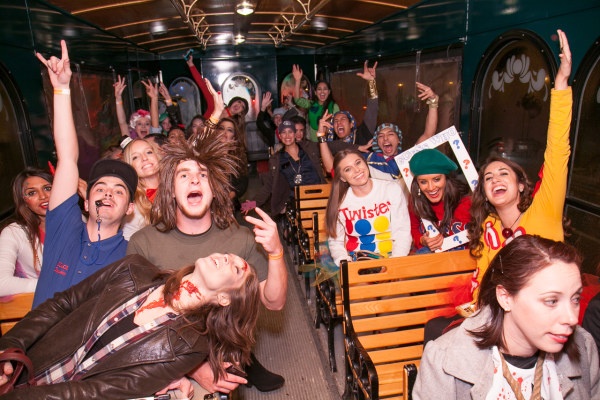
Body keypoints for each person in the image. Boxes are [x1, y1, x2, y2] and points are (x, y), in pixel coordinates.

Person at [127, 78, 288, 394]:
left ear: (214, 190)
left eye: (202, 175)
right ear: (171, 190)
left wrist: (276, 251)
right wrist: (196, 366)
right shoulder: (142, 243)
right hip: (163, 365)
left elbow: (275, 301)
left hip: (223, 367)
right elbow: (138, 324)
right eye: (183, 176)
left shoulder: (240, 240)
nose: (194, 181)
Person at [0, 252, 261, 399]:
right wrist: (10, 346)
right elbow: (63, 303)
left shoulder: (191, 346)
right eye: (228, 255)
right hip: (25, 366)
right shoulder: (132, 268)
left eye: (238, 269)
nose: (228, 259)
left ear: (226, 298)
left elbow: (96, 392)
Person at [414, 235, 600, 399]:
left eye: (575, 299)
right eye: (551, 301)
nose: (571, 318)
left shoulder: (584, 346)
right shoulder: (443, 361)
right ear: (505, 298)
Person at [467, 29, 573, 307]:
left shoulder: (545, 210)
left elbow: (558, 150)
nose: (495, 179)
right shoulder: (489, 227)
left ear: (522, 185)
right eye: (488, 177)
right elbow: (483, 282)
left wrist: (561, 85)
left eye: (504, 173)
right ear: (486, 193)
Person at [32, 40, 138, 307]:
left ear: (130, 209)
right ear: (87, 202)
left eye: (119, 191)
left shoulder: (129, 257)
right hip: (33, 347)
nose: (108, 193)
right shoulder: (63, 228)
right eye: (100, 188)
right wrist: (62, 89)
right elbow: (68, 158)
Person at [325, 149, 412, 266]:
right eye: (348, 169)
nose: (357, 170)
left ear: (365, 163)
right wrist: (345, 263)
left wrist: (394, 263)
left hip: (394, 257)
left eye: (358, 163)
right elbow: (336, 242)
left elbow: (402, 232)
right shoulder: (340, 202)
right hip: (357, 261)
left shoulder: (391, 189)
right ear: (342, 178)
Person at [364, 82, 439, 180]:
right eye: (381, 136)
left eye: (390, 134)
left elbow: (428, 134)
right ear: (377, 142)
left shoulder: (407, 158)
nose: (385, 138)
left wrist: (433, 102)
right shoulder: (367, 160)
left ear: (399, 139)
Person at [0, 168, 53, 296]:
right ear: (24, 201)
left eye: (47, 188)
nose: (43, 196)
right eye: (32, 193)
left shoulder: (78, 220)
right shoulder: (14, 232)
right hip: (42, 307)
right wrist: (55, 286)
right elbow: (1, 283)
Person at [408, 148, 471, 253]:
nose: (431, 187)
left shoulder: (467, 202)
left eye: (436, 179)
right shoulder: (415, 203)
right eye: (423, 182)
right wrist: (423, 240)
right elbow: (413, 229)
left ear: (446, 178)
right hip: (432, 261)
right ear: (417, 184)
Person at [121, 138, 162, 240]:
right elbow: (129, 244)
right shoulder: (133, 206)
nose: (144, 158)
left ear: (157, 156)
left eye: (148, 152)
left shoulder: (178, 186)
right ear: (130, 166)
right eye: (135, 157)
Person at [292, 64, 339, 142]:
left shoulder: (334, 106)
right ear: (315, 92)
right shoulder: (311, 104)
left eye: (325, 89)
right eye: (319, 89)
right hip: (314, 143)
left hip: (328, 142)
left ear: (329, 92)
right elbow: (297, 100)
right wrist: (297, 80)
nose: (322, 92)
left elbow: (337, 124)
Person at [215, 117, 249, 213]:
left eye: (229, 130)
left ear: (233, 138)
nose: (224, 132)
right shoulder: (206, 155)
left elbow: (243, 183)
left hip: (229, 209)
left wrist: (232, 194)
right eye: (221, 128)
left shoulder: (238, 159)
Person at [114, 75, 162, 139]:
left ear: (151, 127)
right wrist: (118, 98)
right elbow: (122, 123)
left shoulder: (154, 141)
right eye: (139, 124)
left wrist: (154, 98)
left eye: (147, 124)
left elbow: (155, 121)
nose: (143, 126)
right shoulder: (130, 143)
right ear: (134, 127)